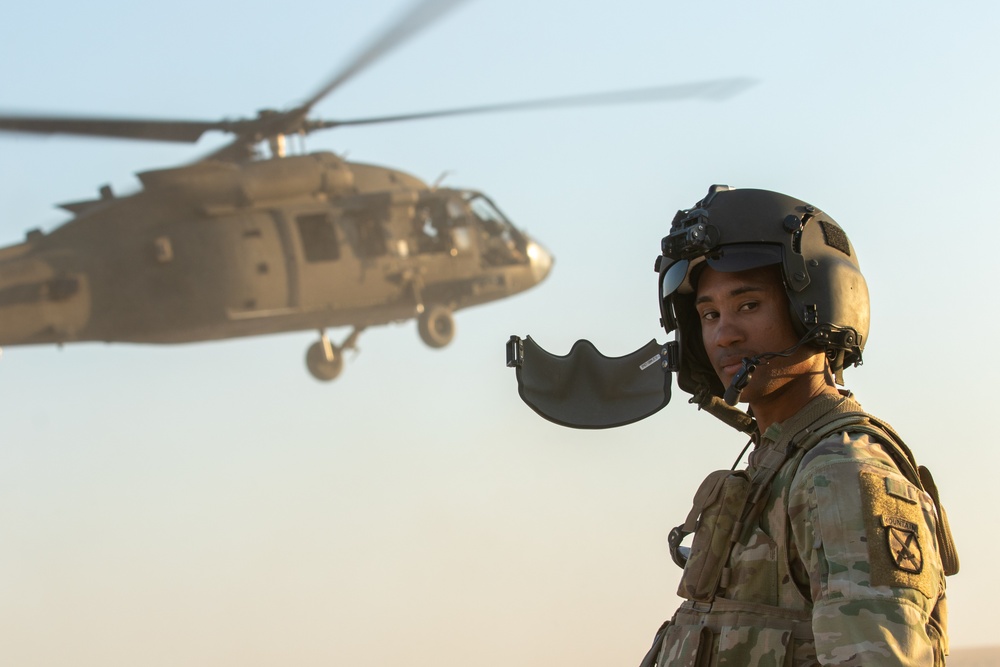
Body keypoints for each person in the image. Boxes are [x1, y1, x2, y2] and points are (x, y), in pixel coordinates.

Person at [642, 185, 959, 666]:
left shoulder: (842, 472)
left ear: (816, 308)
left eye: (748, 305)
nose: (724, 333)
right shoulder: (779, 463)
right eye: (709, 314)